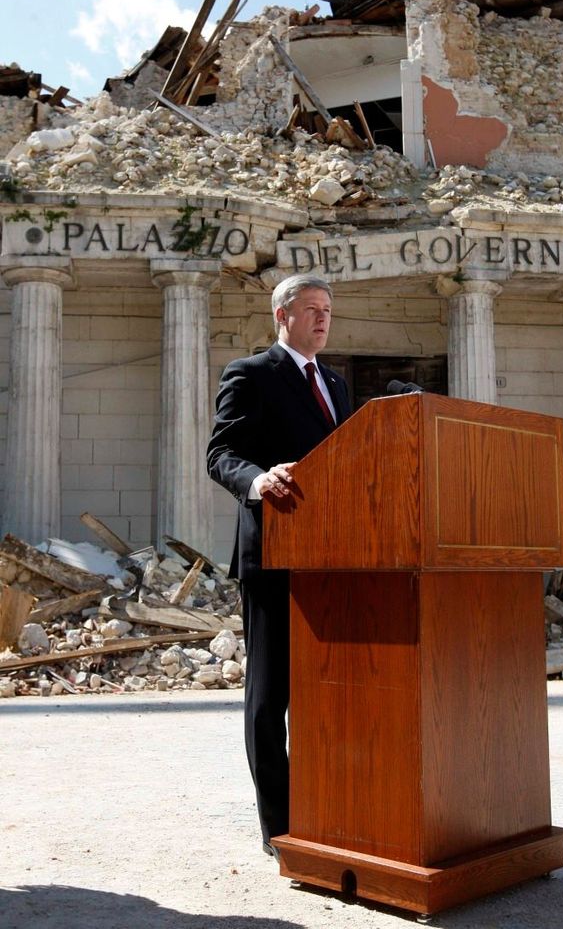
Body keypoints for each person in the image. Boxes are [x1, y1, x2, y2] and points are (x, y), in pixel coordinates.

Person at [206, 273, 351, 859]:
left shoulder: (338, 384)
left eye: (328, 310)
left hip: (334, 561)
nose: (322, 318)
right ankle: (279, 826)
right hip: (274, 554)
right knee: (271, 697)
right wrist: (258, 480)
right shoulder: (251, 373)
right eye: (312, 309)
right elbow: (221, 454)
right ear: (282, 316)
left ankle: (325, 807)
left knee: (326, 692)